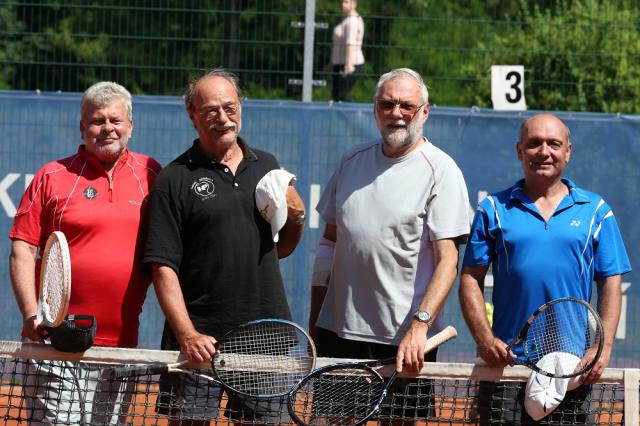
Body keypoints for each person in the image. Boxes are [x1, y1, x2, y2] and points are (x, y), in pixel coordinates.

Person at [143, 68, 305, 424]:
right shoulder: (173, 179)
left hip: (266, 338)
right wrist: (187, 334)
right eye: (210, 110)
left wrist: (296, 219)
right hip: (199, 340)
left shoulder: (268, 167)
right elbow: (162, 266)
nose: (222, 118)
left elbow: (280, 247)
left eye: (229, 108)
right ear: (192, 115)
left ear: (241, 107)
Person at [310, 67, 470, 419]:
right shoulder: (351, 161)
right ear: (376, 109)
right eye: (387, 104)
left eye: (407, 106)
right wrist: (316, 318)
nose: (396, 113)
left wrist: (420, 325)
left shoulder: (442, 171)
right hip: (340, 333)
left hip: (407, 341)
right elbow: (329, 244)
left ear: (424, 112)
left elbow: (448, 261)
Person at [459, 113, 631, 425]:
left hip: (573, 368)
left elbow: (610, 282)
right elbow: (470, 277)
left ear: (568, 151)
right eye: (534, 143)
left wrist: (599, 348)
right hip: (508, 366)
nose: (544, 151)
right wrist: (485, 340)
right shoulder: (493, 209)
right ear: (519, 151)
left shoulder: (597, 211)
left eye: (554, 143)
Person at [9, 81, 161, 424]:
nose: (107, 128)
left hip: (121, 349)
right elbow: (22, 248)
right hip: (55, 343)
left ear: (130, 126)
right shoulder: (52, 176)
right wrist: (31, 313)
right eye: (97, 120)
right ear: (82, 127)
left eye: (115, 120)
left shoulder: (151, 175)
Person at [329, 0, 365, 102]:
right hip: (340, 62)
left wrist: (348, 64)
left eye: (346, 1)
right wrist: (331, 62)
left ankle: (357, 115)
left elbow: (350, 43)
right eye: (341, 1)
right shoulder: (346, 19)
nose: (342, 4)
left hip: (349, 63)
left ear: (354, 3)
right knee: (337, 96)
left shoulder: (352, 21)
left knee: (341, 95)